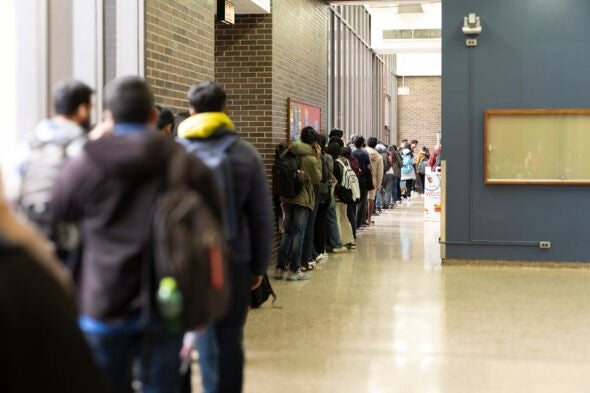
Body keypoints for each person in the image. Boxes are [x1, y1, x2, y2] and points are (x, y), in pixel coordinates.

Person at [51, 76, 221, 393]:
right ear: (153, 116)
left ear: (110, 117)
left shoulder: (88, 160)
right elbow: (214, 226)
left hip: (103, 297)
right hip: (167, 299)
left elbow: (59, 209)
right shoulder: (185, 162)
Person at [177, 81, 273, 393]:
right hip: (232, 261)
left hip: (182, 262)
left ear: (191, 111)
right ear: (225, 109)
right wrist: (258, 268)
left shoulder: (174, 153)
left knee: (179, 340)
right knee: (228, 340)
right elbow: (261, 217)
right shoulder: (245, 154)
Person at [18, 80, 93, 262]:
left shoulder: (29, 142)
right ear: (82, 110)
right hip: (68, 235)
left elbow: (15, 186)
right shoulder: (81, 144)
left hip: (31, 230)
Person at [275, 126, 322, 281]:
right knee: (298, 233)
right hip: (302, 199)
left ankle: (280, 268)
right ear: (314, 142)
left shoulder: (289, 152)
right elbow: (317, 179)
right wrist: (318, 158)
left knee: (288, 232)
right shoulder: (310, 158)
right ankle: (294, 270)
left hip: (287, 197)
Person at [352, 136, 371, 228]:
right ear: (362, 144)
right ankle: (358, 224)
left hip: (352, 180)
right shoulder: (365, 154)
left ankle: (352, 223)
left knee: (353, 202)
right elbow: (368, 168)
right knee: (361, 203)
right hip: (362, 180)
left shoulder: (351, 153)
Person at [365, 137, 383, 226]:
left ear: (367, 144)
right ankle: (368, 219)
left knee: (362, 199)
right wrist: (379, 184)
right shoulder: (378, 156)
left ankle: (361, 219)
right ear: (375, 145)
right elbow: (380, 172)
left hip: (363, 179)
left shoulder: (364, 152)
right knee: (370, 199)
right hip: (373, 180)